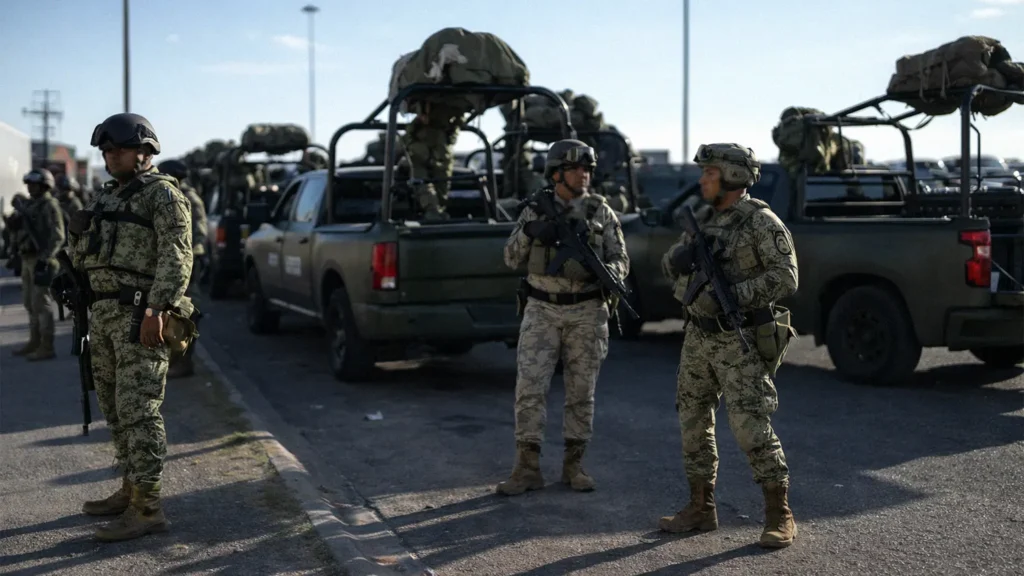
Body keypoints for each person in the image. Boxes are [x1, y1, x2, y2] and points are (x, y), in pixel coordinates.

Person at [657, 143, 798, 548]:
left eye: (710, 173)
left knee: (750, 423)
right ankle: (701, 507)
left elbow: (786, 278)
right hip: (699, 336)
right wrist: (680, 259)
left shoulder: (761, 222)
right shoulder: (704, 219)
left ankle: (779, 513)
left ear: (733, 177)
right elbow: (670, 266)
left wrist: (734, 294)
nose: (702, 180)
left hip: (739, 339)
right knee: (693, 419)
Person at [66, 112, 194, 541]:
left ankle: (148, 507)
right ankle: (130, 488)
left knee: (140, 411)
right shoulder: (107, 197)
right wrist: (75, 236)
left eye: (117, 148)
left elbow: (178, 255)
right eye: (105, 150)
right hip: (102, 316)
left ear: (145, 151)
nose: (109, 155)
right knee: (116, 410)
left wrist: (159, 309)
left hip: (141, 315)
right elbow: (87, 258)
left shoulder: (163, 195)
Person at [497, 139, 629, 495]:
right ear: (556, 173)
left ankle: (575, 466)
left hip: (587, 309)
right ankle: (526, 468)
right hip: (541, 308)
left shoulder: (601, 211)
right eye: (575, 168)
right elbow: (510, 258)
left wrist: (603, 270)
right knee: (530, 388)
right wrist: (529, 231)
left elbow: (621, 260)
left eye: (587, 169)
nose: (583, 174)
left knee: (581, 391)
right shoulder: (534, 211)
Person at [158, 159, 208, 379]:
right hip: (174, 262)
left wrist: (187, 261)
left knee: (183, 315)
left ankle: (182, 363)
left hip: (186, 264)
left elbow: (199, 235)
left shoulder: (189, 198)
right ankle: (175, 361)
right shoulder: (171, 196)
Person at [11, 169, 64, 360]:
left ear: (44, 186)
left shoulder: (49, 205)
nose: (30, 187)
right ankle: (35, 341)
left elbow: (58, 235)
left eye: (34, 184)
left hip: (41, 260)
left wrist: (45, 257)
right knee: (29, 303)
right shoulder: (30, 205)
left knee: (41, 304)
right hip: (26, 259)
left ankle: (47, 346)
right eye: (29, 184)